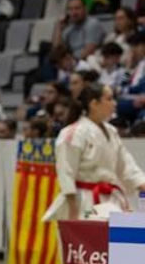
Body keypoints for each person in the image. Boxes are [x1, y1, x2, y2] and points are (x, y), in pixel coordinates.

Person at [42, 85, 145, 221]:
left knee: (115, 240)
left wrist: (142, 184)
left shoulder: (111, 132)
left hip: (111, 201)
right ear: (94, 104)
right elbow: (66, 173)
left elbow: (127, 166)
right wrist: (73, 210)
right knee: (87, 241)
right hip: (84, 200)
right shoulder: (73, 133)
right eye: (109, 99)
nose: (114, 103)